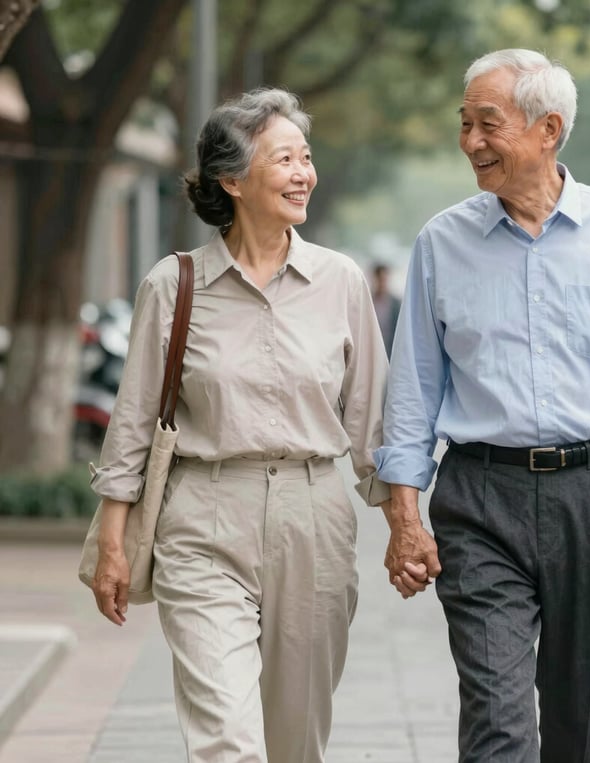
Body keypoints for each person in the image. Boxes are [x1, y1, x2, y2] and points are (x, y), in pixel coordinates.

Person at [374, 49, 590, 763]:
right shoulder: (442, 242)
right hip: (479, 498)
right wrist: (404, 517)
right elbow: (411, 392)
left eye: (487, 124)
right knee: (498, 718)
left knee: (579, 720)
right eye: (464, 124)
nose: (470, 142)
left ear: (547, 128)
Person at [89, 88, 390, 763]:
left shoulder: (339, 281)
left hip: (313, 513)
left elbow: (372, 421)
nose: (303, 173)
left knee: (294, 738)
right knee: (227, 737)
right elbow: (133, 421)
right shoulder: (176, 284)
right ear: (232, 179)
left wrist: (405, 523)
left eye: (305, 158)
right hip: (202, 517)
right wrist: (112, 539)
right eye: (285, 159)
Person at [370, 262, 401, 357]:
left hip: (390, 352)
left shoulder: (396, 304)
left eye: (384, 279)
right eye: (380, 279)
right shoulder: (369, 301)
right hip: (372, 351)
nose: (382, 283)